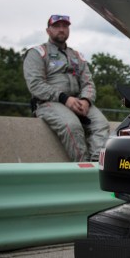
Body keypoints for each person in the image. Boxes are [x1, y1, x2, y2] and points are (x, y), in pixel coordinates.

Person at [23, 14, 110, 162]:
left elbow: (88, 82)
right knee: (72, 126)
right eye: (56, 26)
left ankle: (98, 167)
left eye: (65, 26)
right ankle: (82, 168)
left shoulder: (77, 56)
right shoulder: (37, 53)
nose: (61, 30)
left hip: (78, 102)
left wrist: (86, 100)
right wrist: (65, 99)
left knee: (101, 125)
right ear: (48, 30)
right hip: (48, 103)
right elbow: (35, 84)